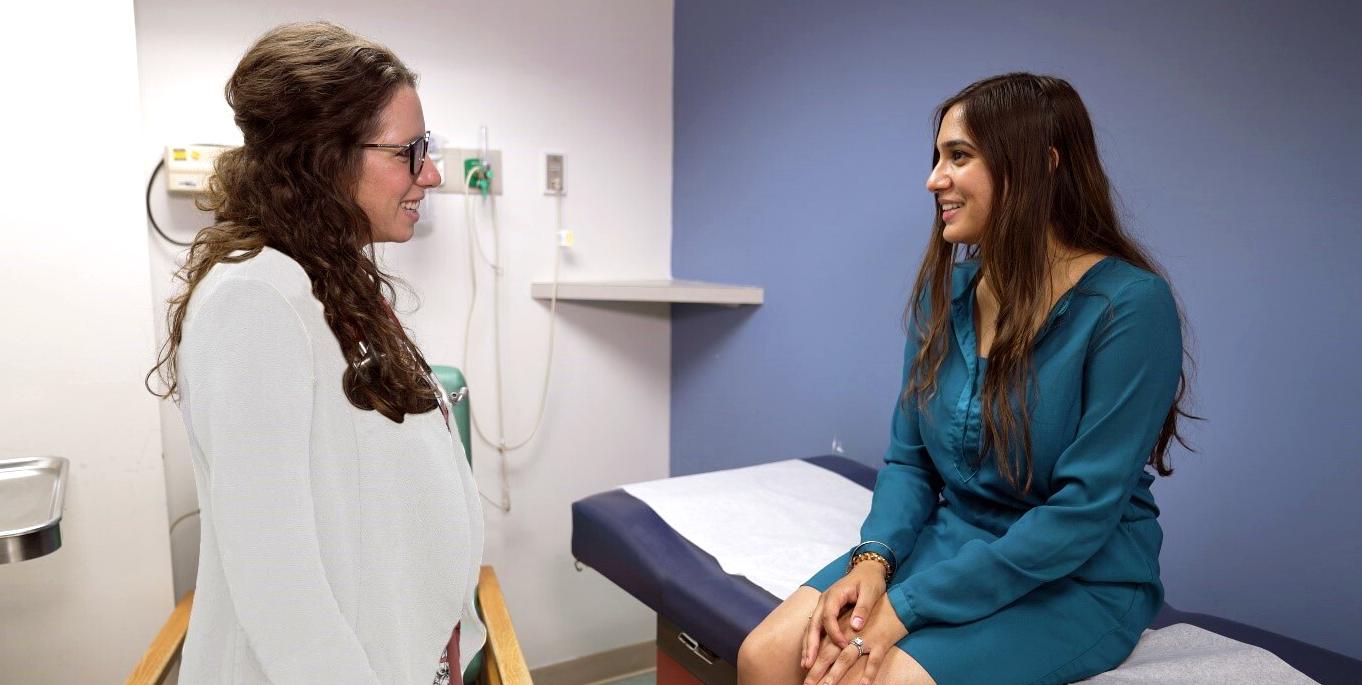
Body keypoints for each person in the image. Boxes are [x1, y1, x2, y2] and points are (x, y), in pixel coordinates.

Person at [737, 73, 1194, 685]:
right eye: (937, 158)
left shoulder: (1130, 307)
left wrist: (908, 607)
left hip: (1078, 573)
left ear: (1041, 166)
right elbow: (909, 462)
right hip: (952, 539)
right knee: (764, 655)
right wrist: (875, 562)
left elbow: (1083, 514)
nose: (934, 180)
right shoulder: (945, 296)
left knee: (875, 682)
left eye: (959, 157)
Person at [146, 22, 483, 685]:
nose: (433, 173)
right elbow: (276, 581)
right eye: (409, 151)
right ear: (324, 157)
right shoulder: (254, 301)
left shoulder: (326, 279)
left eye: (429, 148)